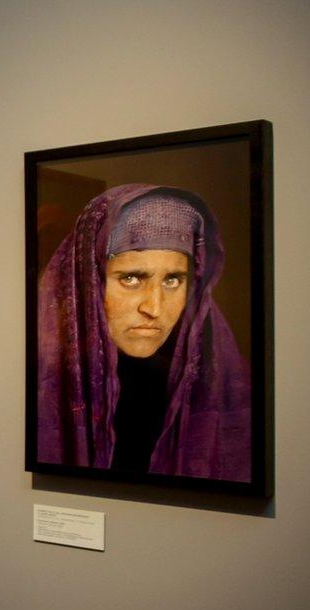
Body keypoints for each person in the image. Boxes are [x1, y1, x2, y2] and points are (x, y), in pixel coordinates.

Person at [36, 183, 251, 481]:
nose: (154, 307)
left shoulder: (213, 384)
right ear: (89, 282)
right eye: (132, 278)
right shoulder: (42, 383)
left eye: (174, 279)